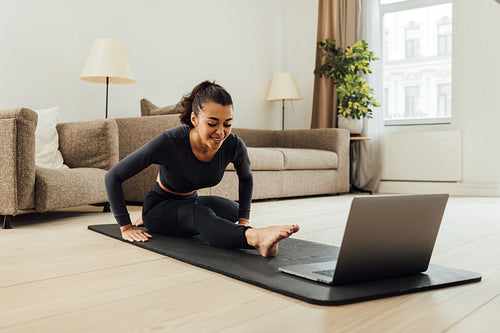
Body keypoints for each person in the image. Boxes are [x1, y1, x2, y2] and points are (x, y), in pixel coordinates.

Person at [105, 80, 299, 257]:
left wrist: (243, 220)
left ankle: (239, 229)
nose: (221, 132)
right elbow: (113, 177)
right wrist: (125, 227)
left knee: (234, 211)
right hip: (159, 208)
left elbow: (246, 178)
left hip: (191, 201)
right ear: (195, 120)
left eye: (228, 124)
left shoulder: (233, 145)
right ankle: (254, 239)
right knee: (202, 215)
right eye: (212, 123)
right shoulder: (170, 142)